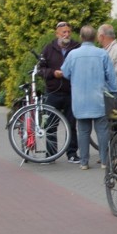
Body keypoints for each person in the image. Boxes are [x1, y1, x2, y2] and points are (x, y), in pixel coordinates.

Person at [60, 25, 117, 170]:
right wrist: (115, 94)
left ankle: (84, 162)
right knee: (102, 131)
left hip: (80, 99)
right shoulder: (102, 54)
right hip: (99, 99)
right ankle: (104, 161)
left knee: (83, 131)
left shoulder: (72, 54)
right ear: (94, 38)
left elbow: (65, 73)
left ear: (81, 37)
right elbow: (111, 77)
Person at [39, 21, 81, 163]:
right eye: (64, 32)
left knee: (72, 124)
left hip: (70, 92)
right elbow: (40, 69)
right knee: (51, 125)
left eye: (69, 31)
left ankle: (72, 154)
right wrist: (52, 73)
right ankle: (51, 155)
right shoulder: (49, 49)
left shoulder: (77, 47)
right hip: (53, 92)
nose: (67, 34)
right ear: (57, 34)